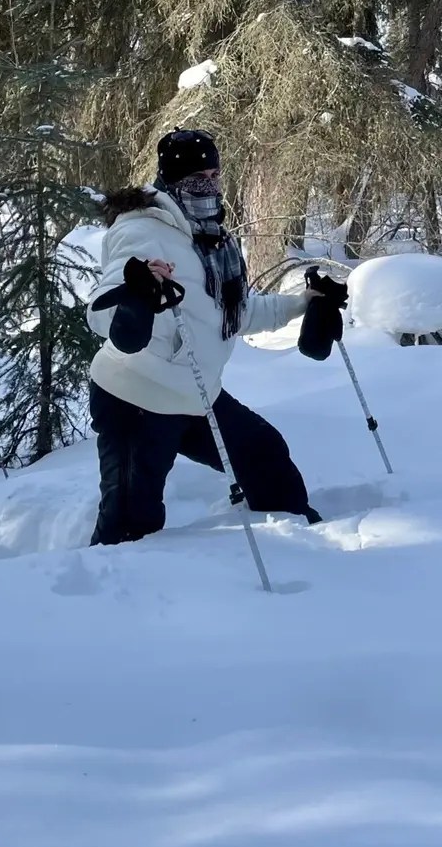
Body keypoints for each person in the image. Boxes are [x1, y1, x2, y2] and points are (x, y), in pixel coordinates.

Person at [86, 128, 345, 544]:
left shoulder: (213, 239)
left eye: (214, 175)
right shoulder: (142, 231)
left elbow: (239, 313)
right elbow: (103, 309)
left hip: (196, 395)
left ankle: (295, 543)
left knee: (264, 455)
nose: (208, 186)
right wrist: (136, 296)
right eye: (196, 179)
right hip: (136, 399)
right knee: (129, 526)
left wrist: (305, 302)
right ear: (172, 182)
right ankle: (104, 597)